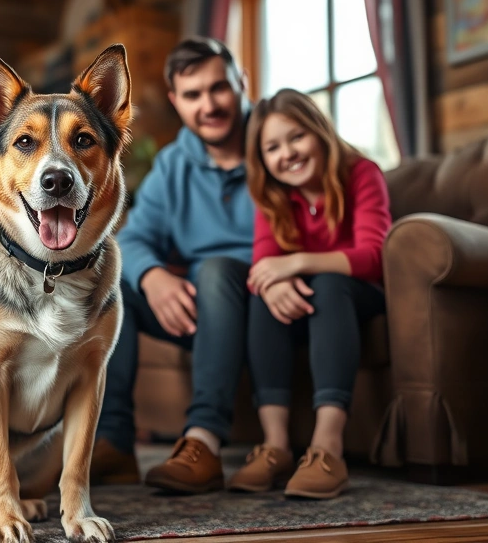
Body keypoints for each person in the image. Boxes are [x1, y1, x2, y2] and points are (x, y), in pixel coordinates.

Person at [90, 37, 256, 494]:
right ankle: (113, 442)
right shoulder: (173, 164)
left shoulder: (279, 142)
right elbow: (131, 238)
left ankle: (203, 441)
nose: (209, 105)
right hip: (207, 308)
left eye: (219, 88)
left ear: (242, 83)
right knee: (113, 283)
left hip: (265, 298)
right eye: (193, 94)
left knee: (216, 270)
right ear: (175, 101)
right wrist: (153, 275)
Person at [227, 88, 391, 499]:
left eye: (297, 137)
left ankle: (327, 446)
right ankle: (276, 445)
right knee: (266, 295)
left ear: (319, 132)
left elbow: (374, 256)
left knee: (328, 282)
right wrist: (275, 281)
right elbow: (263, 266)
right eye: (273, 148)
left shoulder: (362, 173)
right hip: (306, 304)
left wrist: (296, 263)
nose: (288, 154)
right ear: (262, 158)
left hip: (357, 296)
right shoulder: (272, 194)